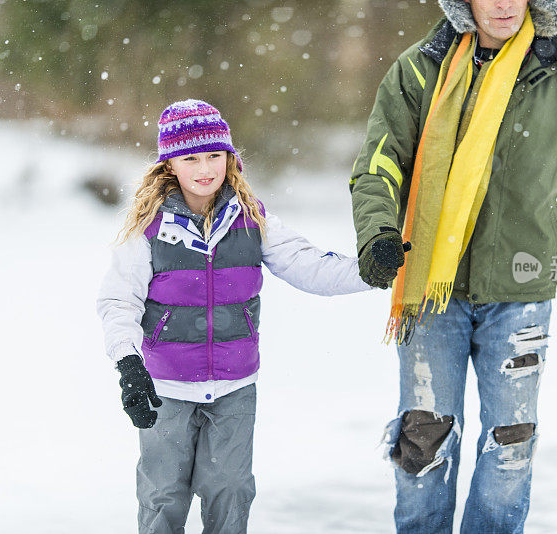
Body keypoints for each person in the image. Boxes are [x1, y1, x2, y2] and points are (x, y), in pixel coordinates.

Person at [349, 1, 557, 532]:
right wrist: (378, 234)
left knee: (511, 444)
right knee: (423, 440)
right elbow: (379, 163)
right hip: (431, 292)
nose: (505, 4)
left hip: (521, 294)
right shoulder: (422, 68)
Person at [97, 99, 369, 534]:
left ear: (229, 157)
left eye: (214, 155)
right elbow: (118, 302)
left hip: (234, 388)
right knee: (163, 495)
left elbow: (309, 265)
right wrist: (129, 362)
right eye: (191, 158)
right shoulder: (147, 227)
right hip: (165, 389)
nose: (205, 168)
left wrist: (371, 271)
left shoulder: (250, 219)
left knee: (231, 490)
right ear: (170, 164)